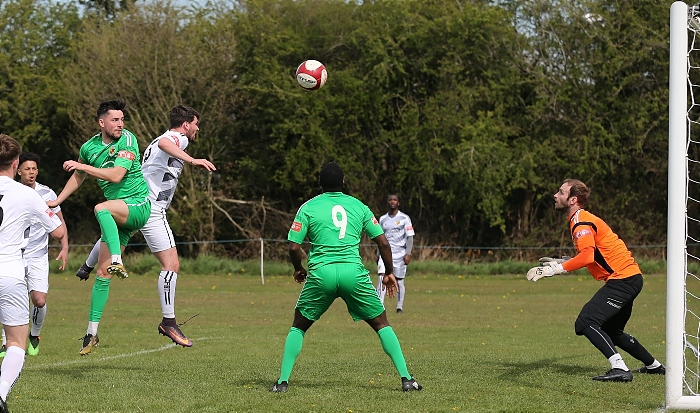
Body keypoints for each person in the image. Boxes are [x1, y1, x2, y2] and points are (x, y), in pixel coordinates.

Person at [270, 162, 422, 393]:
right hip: (353, 273)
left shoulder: (308, 207)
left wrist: (298, 268)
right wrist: (389, 272)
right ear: (343, 182)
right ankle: (407, 379)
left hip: (322, 274)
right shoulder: (358, 206)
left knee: (298, 327)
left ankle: (282, 382)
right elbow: (382, 242)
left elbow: (293, 247)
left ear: (320, 184)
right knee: (381, 324)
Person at [75, 104, 216, 347]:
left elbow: (160, 145)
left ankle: (87, 266)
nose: (197, 128)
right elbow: (166, 144)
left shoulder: (156, 138)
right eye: (195, 124)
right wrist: (192, 160)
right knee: (171, 265)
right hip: (150, 208)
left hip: (131, 203)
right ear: (185, 125)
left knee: (108, 252)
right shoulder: (177, 138)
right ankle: (169, 322)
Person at [526, 178, 665, 382]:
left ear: (573, 199)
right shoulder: (580, 219)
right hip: (630, 278)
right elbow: (592, 255)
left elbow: (587, 257)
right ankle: (655, 366)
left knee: (585, 322)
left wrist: (554, 270)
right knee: (612, 331)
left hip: (623, 279)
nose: (556, 196)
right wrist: (560, 261)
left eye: (561, 192)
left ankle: (620, 368)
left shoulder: (580, 222)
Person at [48, 100, 152, 355]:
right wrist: (58, 200)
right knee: (103, 277)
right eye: (115, 120)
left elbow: (116, 175)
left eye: (122, 119)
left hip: (137, 206)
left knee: (100, 208)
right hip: (119, 217)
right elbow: (78, 177)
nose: (120, 124)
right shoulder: (89, 147)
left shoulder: (127, 140)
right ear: (101, 122)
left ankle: (116, 259)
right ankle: (91, 333)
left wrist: (82, 166)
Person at [0, 134, 66, 413]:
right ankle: (0, 395)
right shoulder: (28, 194)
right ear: (16, 163)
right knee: (16, 342)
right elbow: (59, 230)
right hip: (9, 273)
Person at [1, 152, 70, 356]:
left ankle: (35, 335)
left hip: (38, 254)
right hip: (14, 254)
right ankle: (7, 342)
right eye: (27, 168)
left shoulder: (46, 193)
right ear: (18, 169)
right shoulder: (11, 191)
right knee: (12, 295)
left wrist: (64, 247)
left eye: (34, 169)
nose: (31, 172)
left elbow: (59, 223)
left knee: (39, 300)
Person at [376, 194, 414, 313]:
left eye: (395, 200)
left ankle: (399, 307)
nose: (392, 201)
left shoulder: (405, 218)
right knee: (382, 276)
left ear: (398, 203)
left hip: (399, 254)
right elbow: (379, 237)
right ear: (388, 202)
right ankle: (380, 305)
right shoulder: (382, 219)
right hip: (385, 253)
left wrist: (408, 253)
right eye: (390, 200)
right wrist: (378, 253)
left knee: (399, 280)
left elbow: (410, 237)